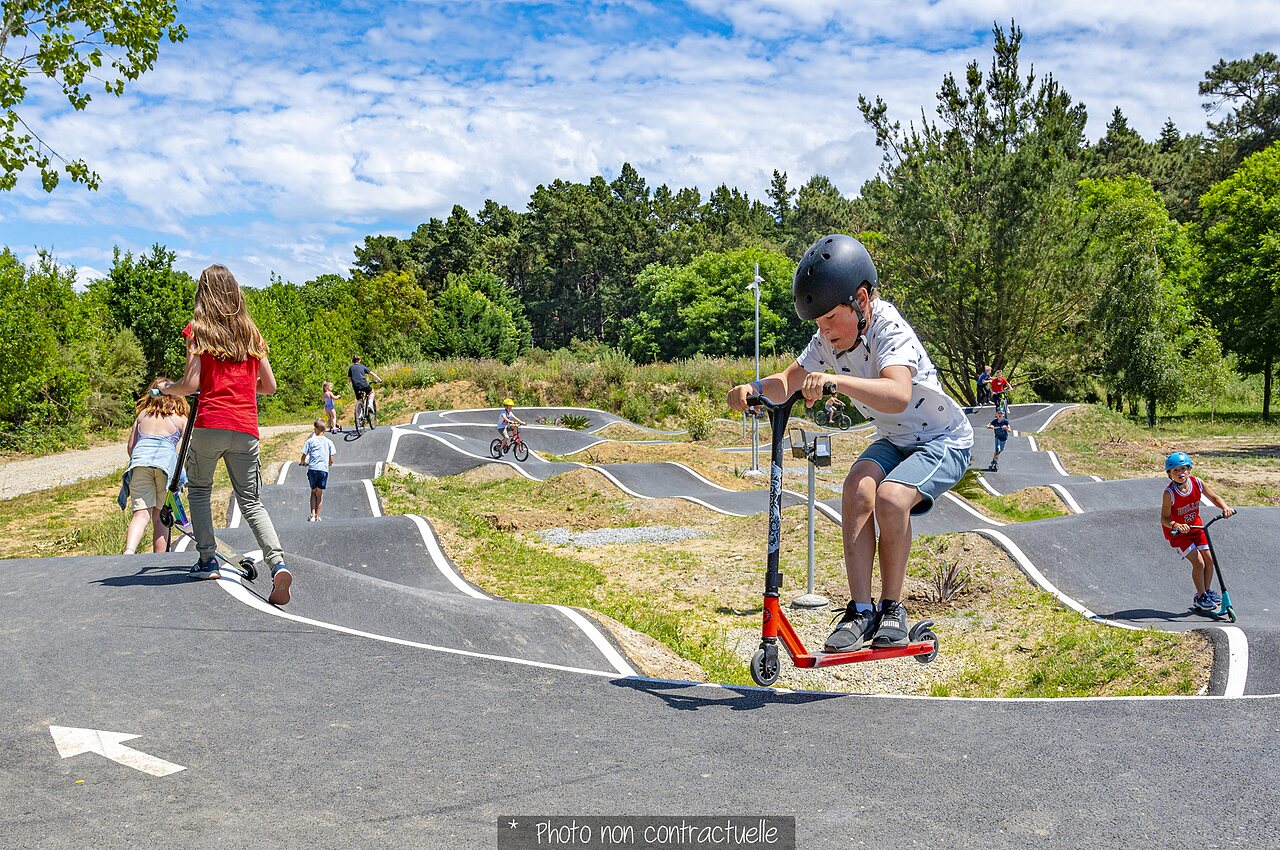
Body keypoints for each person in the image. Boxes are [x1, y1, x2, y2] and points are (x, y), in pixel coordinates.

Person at [728, 234, 973, 651]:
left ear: (861, 300)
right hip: (895, 438)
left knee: (892, 499)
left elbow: (896, 394)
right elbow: (789, 381)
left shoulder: (889, 329)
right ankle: (861, 611)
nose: (823, 331)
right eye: (818, 324)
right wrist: (751, 387)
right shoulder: (828, 339)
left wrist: (836, 381)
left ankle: (892, 607)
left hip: (942, 439)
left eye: (828, 319)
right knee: (856, 488)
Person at [160, 264, 293, 606]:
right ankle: (277, 563)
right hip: (245, 427)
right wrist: (244, 389)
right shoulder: (251, 333)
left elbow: (190, 384)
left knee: (201, 491)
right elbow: (271, 386)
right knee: (251, 501)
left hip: (210, 423)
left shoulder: (198, 331)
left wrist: (167, 390)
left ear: (203, 292)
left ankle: (207, 560)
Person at [120, 378, 190, 554]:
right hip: (165, 469)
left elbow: (131, 447)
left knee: (140, 514)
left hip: (139, 465)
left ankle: (129, 551)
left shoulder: (142, 415)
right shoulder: (180, 418)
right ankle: (159, 557)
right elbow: (188, 450)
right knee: (161, 517)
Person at [1161, 452, 1235, 612]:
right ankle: (1200, 597)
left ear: (1189, 469)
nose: (1180, 473)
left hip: (1197, 528)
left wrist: (1225, 507)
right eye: (1175, 471)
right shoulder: (1170, 493)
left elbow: (1214, 497)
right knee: (1198, 562)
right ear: (1169, 474)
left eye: (1183, 469)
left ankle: (1206, 592)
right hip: (1178, 534)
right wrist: (1176, 525)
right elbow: (1164, 519)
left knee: (1209, 560)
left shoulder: (1197, 483)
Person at [300, 418, 337, 522]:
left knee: (313, 492)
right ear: (324, 430)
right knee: (319, 493)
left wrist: (303, 463)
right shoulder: (329, 442)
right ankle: (318, 516)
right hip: (323, 470)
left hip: (313, 469)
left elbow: (304, 455)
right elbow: (331, 459)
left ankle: (312, 514)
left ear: (316, 429)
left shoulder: (310, 441)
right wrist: (329, 463)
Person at [347, 356, 382, 420]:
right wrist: (379, 379)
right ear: (359, 360)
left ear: (353, 361)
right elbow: (371, 373)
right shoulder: (362, 366)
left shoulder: (351, 368)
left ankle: (360, 415)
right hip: (363, 384)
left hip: (356, 386)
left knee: (359, 400)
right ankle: (370, 404)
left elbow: (349, 379)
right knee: (371, 392)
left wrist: (353, 382)